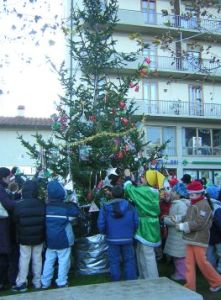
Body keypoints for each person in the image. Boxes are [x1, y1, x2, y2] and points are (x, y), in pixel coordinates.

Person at [176, 180, 221, 292]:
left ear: (201, 193)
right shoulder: (194, 204)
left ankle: (217, 281)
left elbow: (200, 223)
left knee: (202, 263)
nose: (192, 196)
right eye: (190, 194)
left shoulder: (204, 205)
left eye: (194, 194)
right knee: (189, 263)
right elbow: (189, 218)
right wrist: (179, 218)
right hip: (191, 238)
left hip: (199, 239)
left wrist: (183, 226)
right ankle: (190, 286)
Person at [123, 169, 164, 279]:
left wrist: (127, 177)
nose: (140, 178)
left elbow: (128, 189)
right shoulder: (153, 191)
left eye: (143, 176)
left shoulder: (145, 191)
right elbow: (138, 190)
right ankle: (143, 276)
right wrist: (132, 181)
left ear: (148, 180)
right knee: (141, 251)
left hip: (146, 225)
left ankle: (153, 279)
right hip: (150, 223)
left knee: (147, 253)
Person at [41, 180, 80, 289]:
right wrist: (73, 203)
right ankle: (61, 281)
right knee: (63, 260)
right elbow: (76, 213)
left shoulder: (45, 208)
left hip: (49, 240)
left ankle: (45, 282)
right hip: (63, 240)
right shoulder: (65, 208)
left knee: (49, 260)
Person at [97, 185, 138, 281]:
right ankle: (131, 282)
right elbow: (136, 221)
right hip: (127, 238)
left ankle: (116, 282)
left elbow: (101, 223)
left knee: (114, 262)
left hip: (112, 238)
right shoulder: (130, 206)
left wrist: (104, 232)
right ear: (123, 194)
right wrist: (132, 232)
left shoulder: (105, 207)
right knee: (129, 261)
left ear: (111, 194)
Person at [12, 180, 45, 292]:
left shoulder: (19, 205)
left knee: (24, 259)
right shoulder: (41, 203)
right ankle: (37, 282)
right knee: (37, 259)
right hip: (39, 236)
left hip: (24, 237)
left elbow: (15, 220)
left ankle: (21, 282)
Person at [163, 183, 189, 280]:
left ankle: (181, 275)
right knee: (177, 256)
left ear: (179, 194)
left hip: (178, 235)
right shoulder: (176, 204)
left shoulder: (181, 205)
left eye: (173, 191)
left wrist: (166, 220)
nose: (171, 192)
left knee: (180, 256)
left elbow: (179, 218)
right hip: (175, 234)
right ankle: (179, 272)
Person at [0, 167, 16, 290]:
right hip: (2, 226)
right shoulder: (1, 190)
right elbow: (9, 205)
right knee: (4, 254)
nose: (9, 180)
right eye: (8, 178)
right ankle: (3, 281)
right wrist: (21, 203)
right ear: (3, 178)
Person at [206, 185, 221, 274]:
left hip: (208, 235)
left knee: (209, 254)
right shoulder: (217, 207)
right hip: (218, 236)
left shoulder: (205, 204)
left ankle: (211, 270)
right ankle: (218, 271)